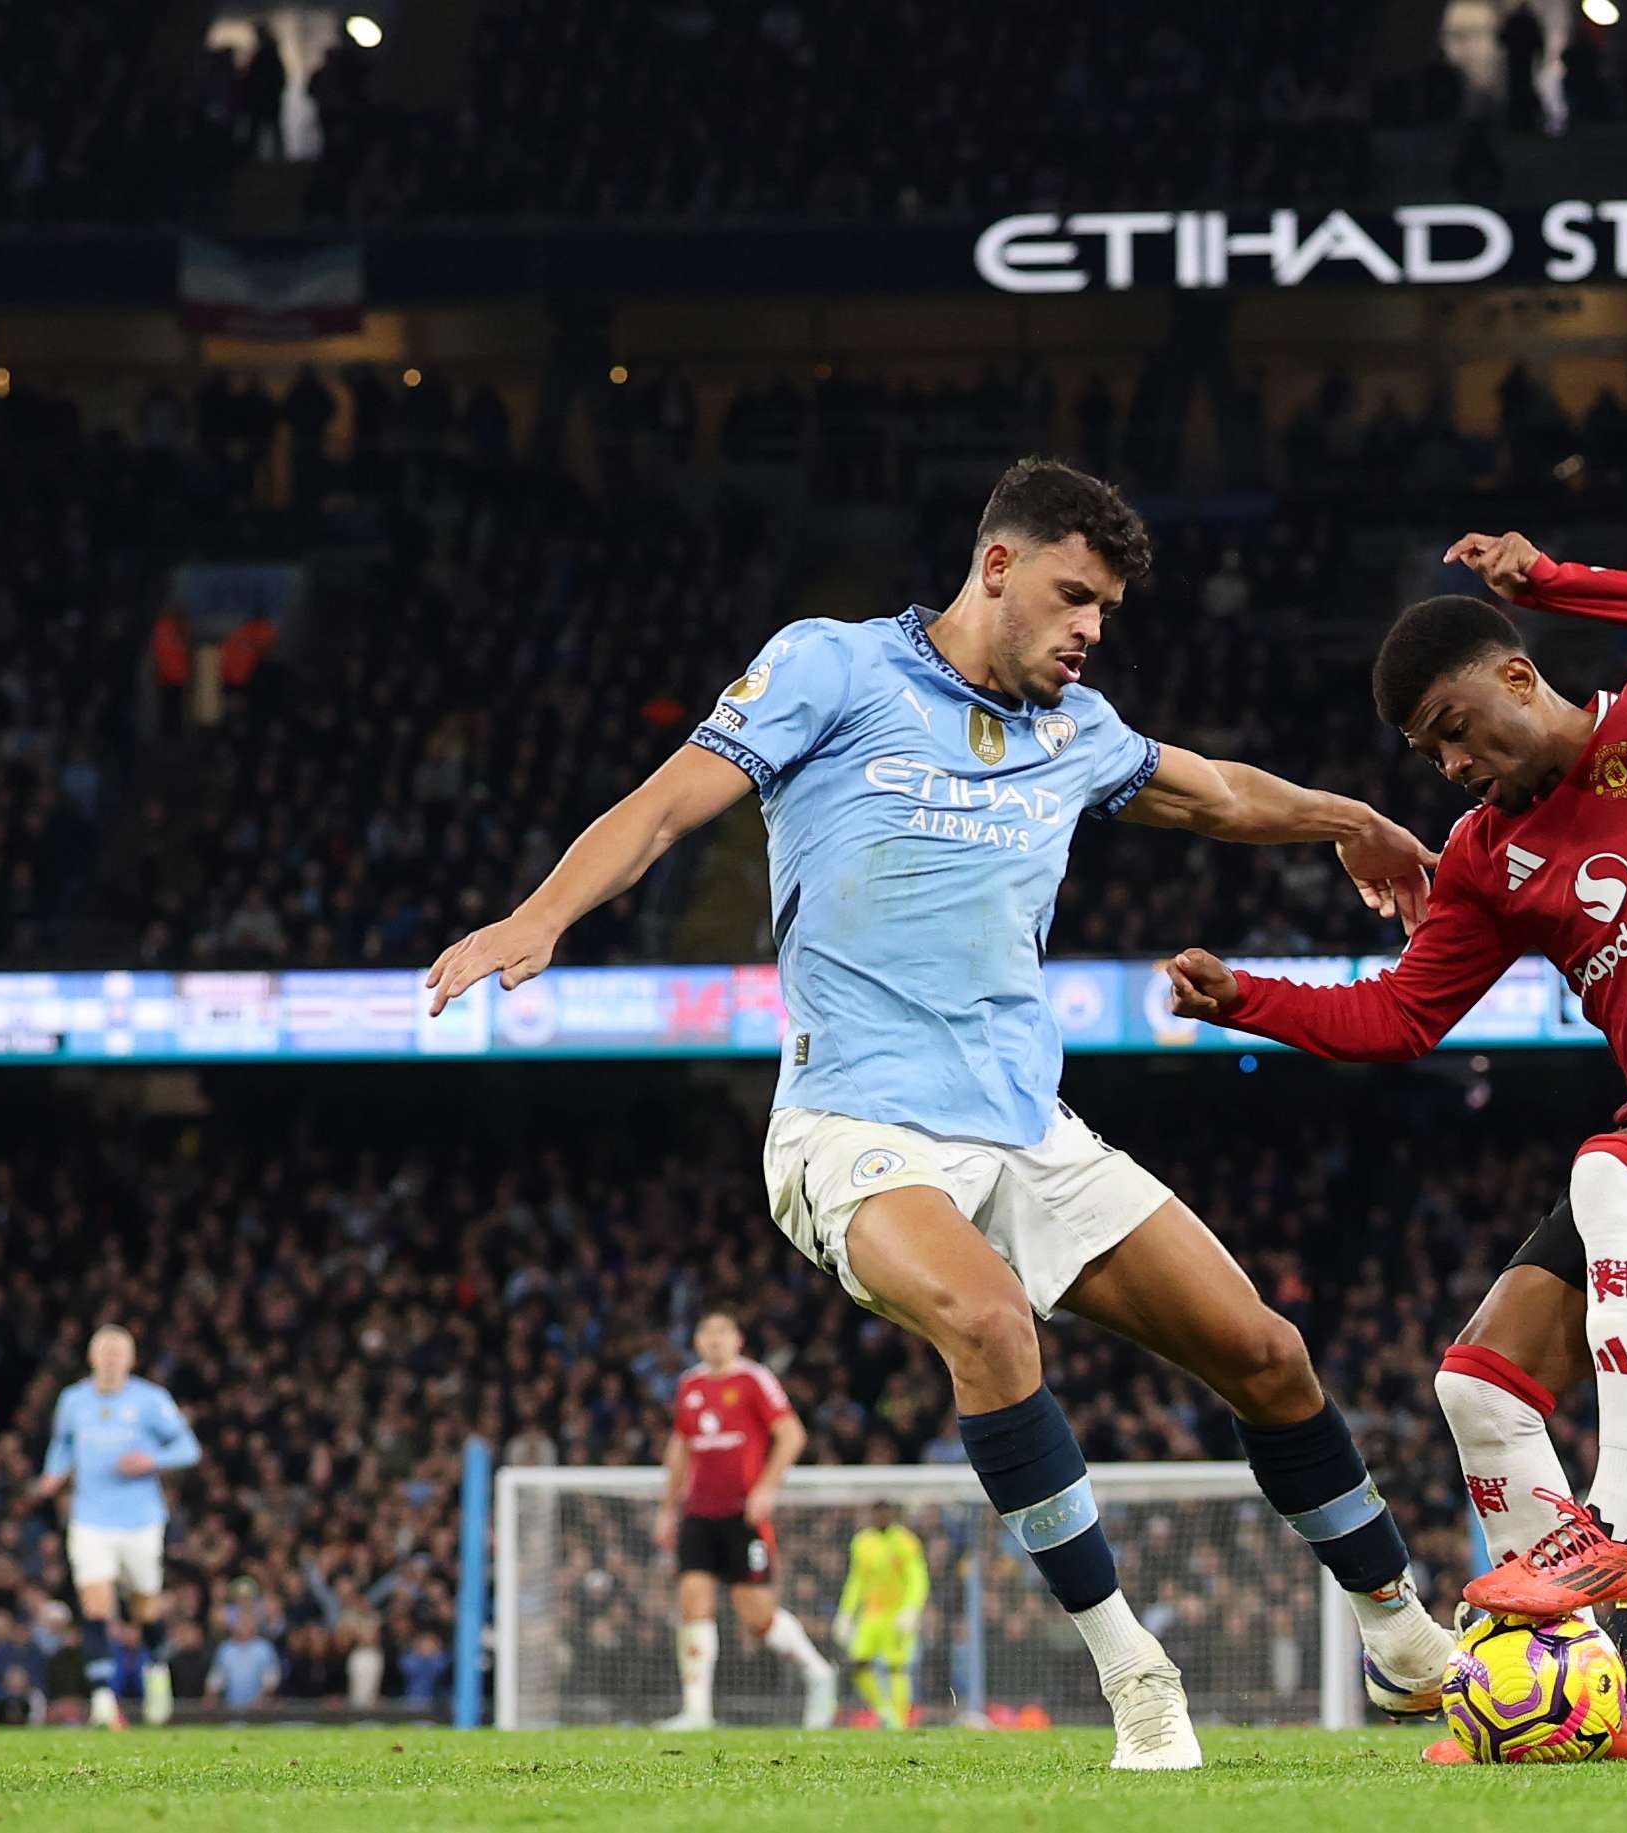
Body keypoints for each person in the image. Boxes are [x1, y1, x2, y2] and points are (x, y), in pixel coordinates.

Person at [425, 458, 1455, 1770]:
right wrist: (539, 914)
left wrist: (1347, 817)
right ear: (998, 568)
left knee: (1265, 1353)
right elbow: (668, 803)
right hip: (856, 1126)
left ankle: (1402, 1636)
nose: (1090, 631)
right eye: (1075, 597)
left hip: (1027, 1126)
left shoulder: (1077, 729)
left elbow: (1210, 789)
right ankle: (1132, 1672)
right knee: (984, 1314)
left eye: (1107, 613)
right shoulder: (833, 670)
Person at [1163, 533, 1627, 1646]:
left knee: (1611, 1164)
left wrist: (1551, 584)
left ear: (1518, 676)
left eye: (1453, 728)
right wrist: (1243, 997)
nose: (1448, 764)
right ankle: (1568, 1689)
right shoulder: (1487, 858)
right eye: (1424, 752)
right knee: (1477, 1385)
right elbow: (1398, 1017)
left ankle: (1623, 1519)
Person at [652, 1312, 835, 1731]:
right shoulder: (691, 1385)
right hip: (699, 1512)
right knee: (693, 1603)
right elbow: (680, 1447)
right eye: (706, 1333)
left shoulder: (754, 1379)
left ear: (737, 1339)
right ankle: (697, 1712)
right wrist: (667, 1506)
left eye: (722, 1333)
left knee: (756, 1617)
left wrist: (766, 1488)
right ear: (697, 1341)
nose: (714, 1340)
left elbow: (792, 1434)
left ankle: (818, 1672)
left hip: (743, 1513)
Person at [29, 1325, 202, 1729]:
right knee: (96, 1605)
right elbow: (62, 1445)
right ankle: (103, 1698)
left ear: (130, 1359)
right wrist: (53, 1475)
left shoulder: (150, 1400)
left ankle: (157, 1670)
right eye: (103, 1352)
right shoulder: (73, 1400)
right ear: (91, 1357)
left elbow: (188, 1448)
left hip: (140, 1519)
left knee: (145, 1607)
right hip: (90, 1519)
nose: (109, 1359)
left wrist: (152, 1461)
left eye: (117, 1352)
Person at [839, 1501, 931, 1729]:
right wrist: (846, 1613)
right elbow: (857, 1579)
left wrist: (912, 1609)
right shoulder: (862, 1542)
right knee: (857, 1664)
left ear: (892, 1514)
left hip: (897, 1615)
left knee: (897, 1668)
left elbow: (917, 1578)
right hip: (871, 1616)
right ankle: (884, 1710)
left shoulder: (904, 1541)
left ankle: (899, 1723)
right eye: (877, 1512)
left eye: (885, 1512)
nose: (881, 1517)